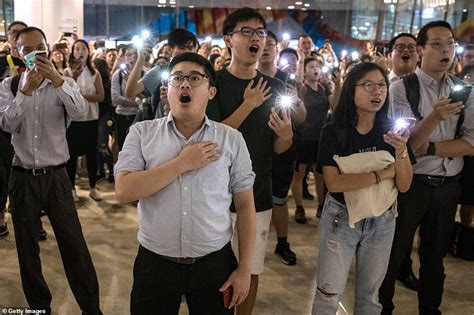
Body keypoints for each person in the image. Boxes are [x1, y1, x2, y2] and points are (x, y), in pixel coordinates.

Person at [114, 52, 256, 314]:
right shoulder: (142, 133)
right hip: (155, 262)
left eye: (195, 78)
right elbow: (124, 190)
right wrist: (182, 163)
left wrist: (245, 268)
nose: (185, 84)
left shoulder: (231, 139)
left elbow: (246, 206)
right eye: (177, 78)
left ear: (211, 92)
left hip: (214, 264)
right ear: (167, 90)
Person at [0, 26, 101, 315]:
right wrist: (25, 92)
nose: (35, 54)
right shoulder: (8, 86)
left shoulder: (64, 83)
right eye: (27, 49)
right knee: (27, 250)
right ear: (18, 53)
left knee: (74, 246)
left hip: (57, 176)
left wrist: (57, 80)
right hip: (22, 178)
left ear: (48, 49)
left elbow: (81, 112)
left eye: (40, 48)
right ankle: (38, 308)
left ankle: (91, 309)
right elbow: (6, 125)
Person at [379, 21, 474, 314]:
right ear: (420, 50)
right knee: (393, 254)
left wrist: (431, 147)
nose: (446, 49)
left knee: (435, 258)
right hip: (411, 184)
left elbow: (470, 144)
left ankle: (430, 309)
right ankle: (382, 308)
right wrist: (434, 117)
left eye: (450, 43)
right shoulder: (401, 88)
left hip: (447, 187)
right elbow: (406, 144)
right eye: (437, 44)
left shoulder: (465, 91)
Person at [207, 8, 293, 315]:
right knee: (212, 274)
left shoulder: (278, 87)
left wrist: (286, 137)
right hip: (214, 194)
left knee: (250, 270)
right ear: (228, 39)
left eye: (260, 32)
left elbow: (280, 148)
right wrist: (248, 105)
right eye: (246, 31)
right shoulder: (211, 82)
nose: (255, 37)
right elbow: (211, 139)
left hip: (257, 194)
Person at [312, 62, 414, 314]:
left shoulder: (393, 131)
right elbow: (334, 182)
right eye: (368, 85)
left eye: (381, 85)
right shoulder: (334, 130)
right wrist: (382, 173)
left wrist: (401, 151)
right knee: (328, 294)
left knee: (370, 296)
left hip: (382, 219)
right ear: (351, 90)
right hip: (340, 217)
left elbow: (404, 184)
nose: (376, 91)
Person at [257, 30, 306, 265]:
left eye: (271, 44)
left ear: (278, 49)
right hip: (253, 147)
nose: (265, 47)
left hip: (283, 147)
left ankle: (282, 243)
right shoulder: (248, 77)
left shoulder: (288, 81)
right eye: (262, 43)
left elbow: (301, 117)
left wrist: (295, 100)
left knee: (279, 198)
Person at [386, 32, 421, 292]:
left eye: (411, 47)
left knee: (406, 223)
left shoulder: (423, 89)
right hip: (382, 163)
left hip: (413, 164)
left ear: (418, 53)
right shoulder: (378, 84)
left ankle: (403, 267)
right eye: (400, 47)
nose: (405, 52)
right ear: (390, 55)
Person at [291, 57, 332, 224]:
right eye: (311, 66)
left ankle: (321, 206)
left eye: (317, 66)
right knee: (299, 174)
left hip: (320, 138)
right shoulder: (302, 88)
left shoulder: (324, 88)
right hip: (302, 137)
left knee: (320, 174)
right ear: (305, 71)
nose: (315, 68)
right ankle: (299, 207)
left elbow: (333, 105)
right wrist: (300, 60)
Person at [125, 28, 198, 121]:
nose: (186, 51)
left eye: (190, 48)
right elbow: (130, 93)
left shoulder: (199, 74)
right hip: (161, 128)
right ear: (171, 50)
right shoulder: (160, 71)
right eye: (182, 47)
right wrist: (140, 60)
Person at [64, 39, 105, 202]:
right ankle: (71, 188)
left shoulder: (95, 73)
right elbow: (65, 95)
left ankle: (93, 187)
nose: (80, 52)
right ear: (73, 52)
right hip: (74, 121)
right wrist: (74, 76)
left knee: (91, 153)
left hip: (91, 119)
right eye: (77, 49)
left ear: (88, 52)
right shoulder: (67, 72)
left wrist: (82, 97)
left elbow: (101, 96)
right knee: (71, 156)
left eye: (83, 49)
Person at [111, 44, 141, 150]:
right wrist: (137, 102)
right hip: (122, 116)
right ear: (124, 57)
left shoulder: (144, 73)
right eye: (128, 54)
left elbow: (148, 98)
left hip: (139, 116)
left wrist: (130, 82)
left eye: (135, 54)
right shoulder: (118, 75)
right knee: (123, 147)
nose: (132, 57)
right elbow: (115, 98)